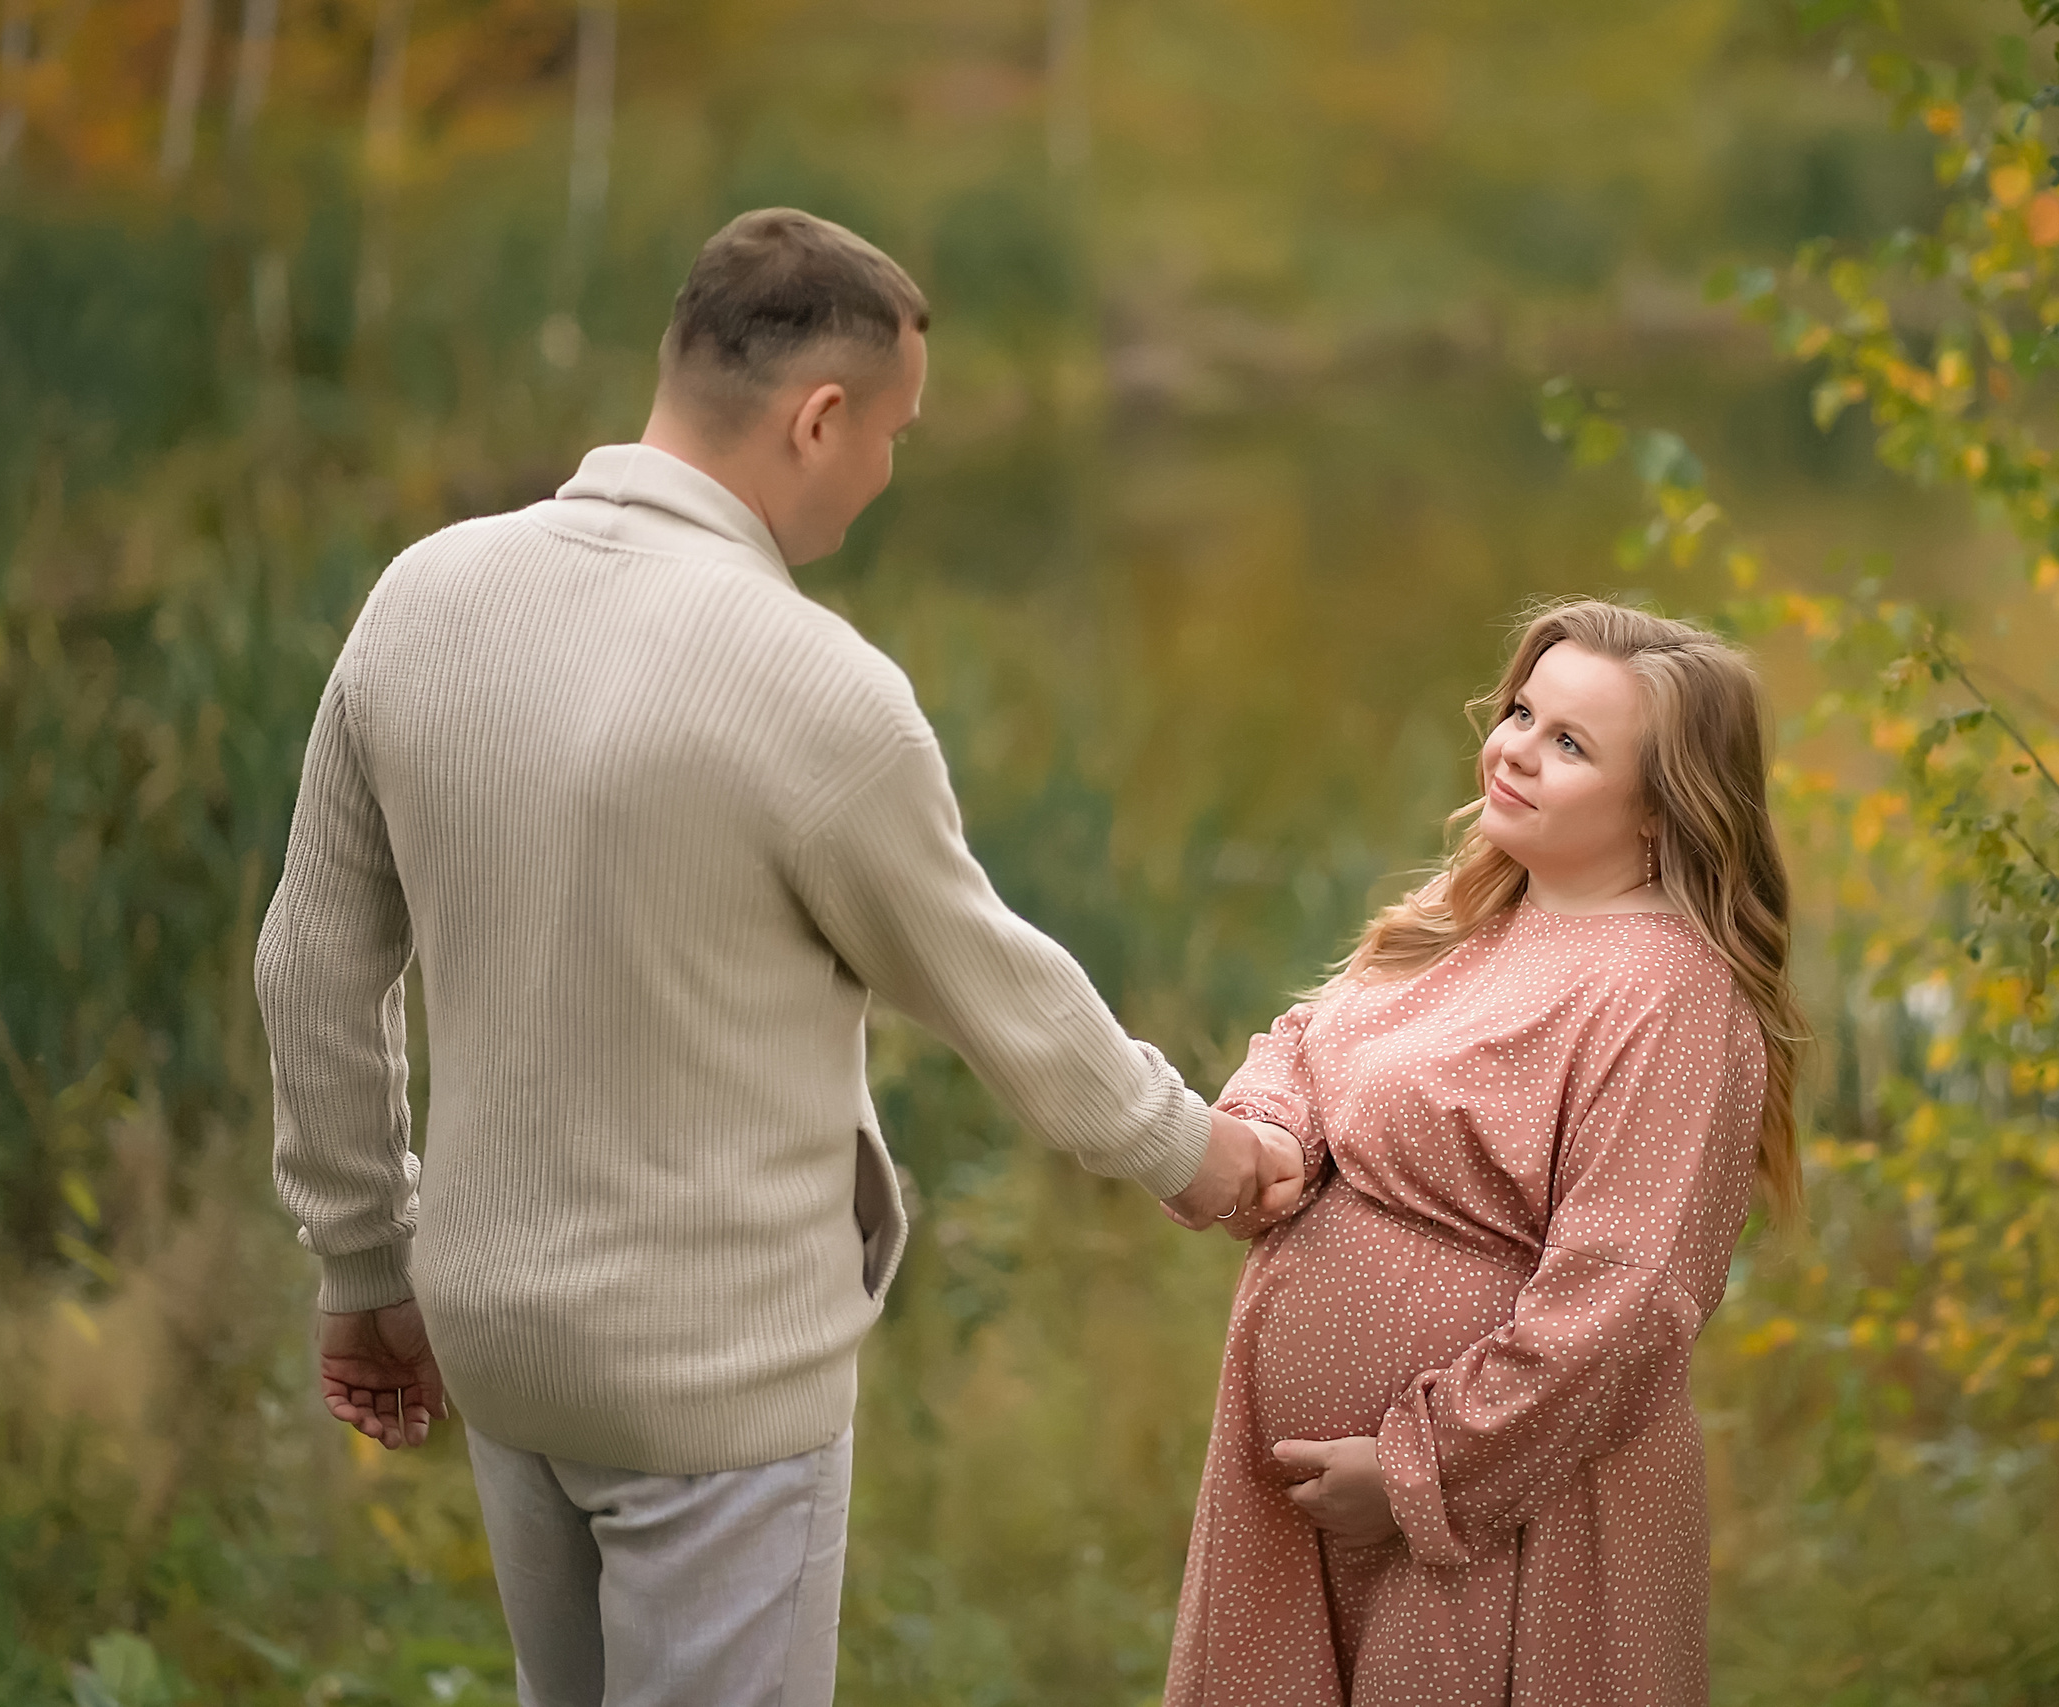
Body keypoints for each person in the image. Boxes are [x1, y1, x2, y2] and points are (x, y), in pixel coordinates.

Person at [254, 207, 1304, 1707]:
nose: (887, 471)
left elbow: (309, 964)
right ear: (818, 419)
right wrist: (1190, 1151)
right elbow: (987, 982)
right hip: (716, 1376)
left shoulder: (421, 596)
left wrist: (363, 1258)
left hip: (498, 1340)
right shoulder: (814, 686)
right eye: (892, 435)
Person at [1164, 600, 1807, 1707]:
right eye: (1521, 713)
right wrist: (1270, 1132)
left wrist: (1420, 1473)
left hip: (1503, 1515)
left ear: (1664, 809)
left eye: (1571, 743)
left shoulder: (1668, 995)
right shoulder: (1473, 905)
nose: (1516, 749)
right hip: (1324, 1505)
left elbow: (1627, 1296)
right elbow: (1310, 1044)